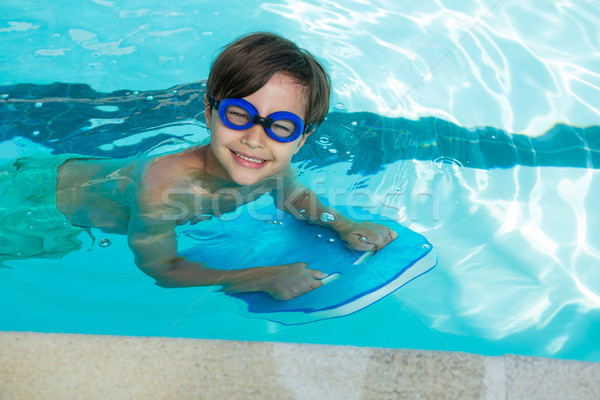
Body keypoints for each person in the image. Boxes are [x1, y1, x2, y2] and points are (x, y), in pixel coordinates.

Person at [0, 32, 396, 300]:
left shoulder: (272, 168)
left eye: (280, 126)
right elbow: (162, 269)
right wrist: (255, 277)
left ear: (301, 138)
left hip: (70, 169)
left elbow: (294, 196)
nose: (256, 140)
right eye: (239, 115)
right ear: (209, 113)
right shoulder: (162, 186)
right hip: (37, 206)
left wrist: (344, 225)